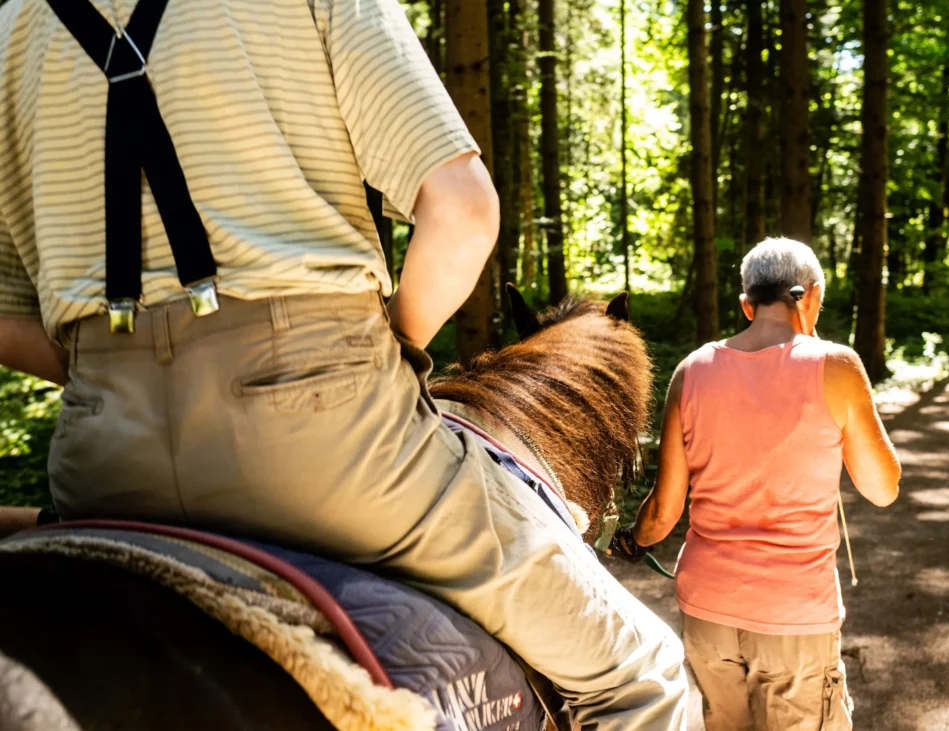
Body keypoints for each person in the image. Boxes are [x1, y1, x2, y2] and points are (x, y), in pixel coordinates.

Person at [0, 0, 688, 727]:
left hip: (107, 461)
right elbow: (462, 210)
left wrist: (116, 371)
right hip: (330, 448)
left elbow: (10, 318)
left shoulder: (14, 20)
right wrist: (390, 343)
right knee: (645, 669)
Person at [610, 238, 901, 730]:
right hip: (795, 618)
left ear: (747, 304)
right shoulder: (837, 366)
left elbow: (663, 513)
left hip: (708, 615)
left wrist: (633, 541)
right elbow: (882, 488)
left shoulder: (692, 371)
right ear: (811, 296)